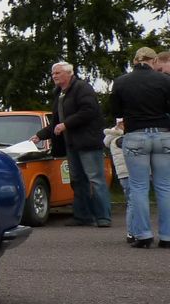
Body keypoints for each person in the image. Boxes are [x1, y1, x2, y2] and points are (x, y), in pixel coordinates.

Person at [32, 61, 110, 228]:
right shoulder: (59, 93)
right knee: (77, 180)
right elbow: (56, 122)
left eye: (57, 73)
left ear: (69, 73)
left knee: (95, 179)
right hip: (71, 144)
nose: (54, 76)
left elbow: (89, 111)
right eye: (53, 73)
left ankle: (104, 217)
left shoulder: (82, 88)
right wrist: (40, 135)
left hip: (88, 143)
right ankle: (82, 216)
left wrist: (66, 124)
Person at [110, 46, 170, 248]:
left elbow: (116, 111)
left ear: (135, 61)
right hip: (163, 135)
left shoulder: (121, 82)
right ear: (154, 61)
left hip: (135, 135)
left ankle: (143, 235)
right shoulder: (165, 80)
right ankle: (167, 236)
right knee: (165, 186)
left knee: (139, 187)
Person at [104, 120, 131, 243]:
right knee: (133, 202)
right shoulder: (119, 139)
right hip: (128, 173)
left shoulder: (112, 138)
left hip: (123, 174)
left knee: (132, 202)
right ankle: (133, 231)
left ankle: (133, 231)